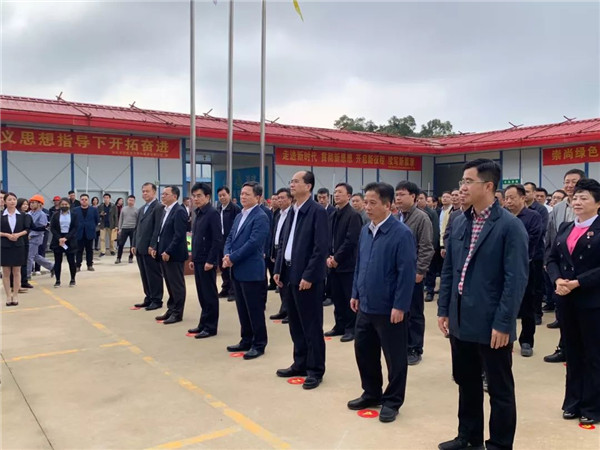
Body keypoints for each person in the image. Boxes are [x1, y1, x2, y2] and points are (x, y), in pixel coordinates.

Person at [437, 159, 529, 450]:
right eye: (462, 181)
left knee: (499, 389)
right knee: (467, 382)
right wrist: (444, 309)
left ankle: (499, 444)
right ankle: (468, 437)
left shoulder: (510, 226)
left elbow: (515, 280)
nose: (462, 187)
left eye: (468, 181)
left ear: (488, 186)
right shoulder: (460, 220)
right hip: (461, 318)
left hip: (492, 324)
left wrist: (504, 323)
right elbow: (449, 270)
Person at [347, 182, 416, 423]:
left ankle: (392, 400)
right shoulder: (366, 230)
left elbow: (406, 273)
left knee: (394, 358)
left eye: (372, 203)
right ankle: (371, 393)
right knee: (364, 351)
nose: (367, 207)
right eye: (365, 202)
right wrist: (355, 292)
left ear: (388, 205)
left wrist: (400, 305)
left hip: (389, 309)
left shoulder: (401, 234)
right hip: (365, 304)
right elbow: (360, 264)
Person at [546, 178, 600, 426]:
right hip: (566, 299)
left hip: (592, 300)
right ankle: (572, 402)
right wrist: (557, 279)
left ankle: (593, 406)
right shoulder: (566, 226)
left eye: (584, 198)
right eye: (575, 198)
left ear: (597, 203)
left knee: (593, 354)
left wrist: (578, 282)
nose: (577, 202)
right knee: (573, 351)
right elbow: (552, 257)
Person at [274, 170, 328, 390]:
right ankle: (300, 363)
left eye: (296, 181)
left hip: (307, 278)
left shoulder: (317, 212)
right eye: (291, 181)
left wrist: (309, 275)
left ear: (308, 186)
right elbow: (284, 243)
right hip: (289, 274)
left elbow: (320, 248)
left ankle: (315, 369)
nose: (292, 184)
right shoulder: (292, 210)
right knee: (295, 323)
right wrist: (278, 269)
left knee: (311, 325)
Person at [223, 182, 270, 359]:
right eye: (242, 193)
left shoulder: (261, 216)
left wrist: (232, 258)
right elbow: (230, 237)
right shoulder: (239, 216)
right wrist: (227, 254)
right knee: (242, 308)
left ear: (258, 197)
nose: (243, 196)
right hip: (237, 269)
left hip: (251, 270)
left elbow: (253, 243)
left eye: (247, 194)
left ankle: (259, 344)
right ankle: (246, 339)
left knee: (254, 310)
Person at [544, 169, 586, 363]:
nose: (569, 185)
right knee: (564, 312)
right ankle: (564, 348)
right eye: (566, 181)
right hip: (561, 267)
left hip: (584, 268)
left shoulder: (591, 206)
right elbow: (551, 235)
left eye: (573, 181)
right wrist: (549, 263)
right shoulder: (558, 208)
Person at [395, 181, 434, 365]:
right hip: (397, 274)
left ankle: (415, 348)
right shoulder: (396, 217)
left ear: (413, 196)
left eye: (402, 194)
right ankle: (403, 344)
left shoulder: (421, 218)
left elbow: (426, 247)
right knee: (400, 310)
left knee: (415, 313)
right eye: (396, 195)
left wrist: (420, 271)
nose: (398, 198)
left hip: (413, 274)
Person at [504, 184, 543, 357]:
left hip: (526, 266)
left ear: (522, 198)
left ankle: (526, 340)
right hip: (503, 266)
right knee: (506, 303)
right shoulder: (502, 216)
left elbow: (532, 240)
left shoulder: (533, 216)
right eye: (506, 198)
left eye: (512, 197)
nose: (508, 201)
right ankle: (506, 337)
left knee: (527, 305)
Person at [325, 182, 362, 342]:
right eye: (335, 192)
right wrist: (329, 257)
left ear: (349, 196)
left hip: (347, 265)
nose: (336, 195)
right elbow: (328, 238)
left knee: (348, 298)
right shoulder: (333, 214)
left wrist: (337, 258)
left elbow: (351, 240)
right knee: (337, 297)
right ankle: (339, 325)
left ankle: (350, 328)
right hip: (333, 264)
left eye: (340, 192)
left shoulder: (353, 215)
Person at [188, 182, 222, 339]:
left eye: (199, 196)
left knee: (209, 295)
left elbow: (217, 239)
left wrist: (211, 260)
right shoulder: (199, 213)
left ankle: (211, 327)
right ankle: (203, 323)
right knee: (202, 294)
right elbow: (195, 238)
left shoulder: (212, 213)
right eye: (194, 196)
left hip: (207, 261)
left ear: (208, 197)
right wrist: (193, 258)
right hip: (198, 259)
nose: (196, 199)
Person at [151, 186, 189, 324]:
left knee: (176, 285)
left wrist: (168, 251)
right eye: (162, 194)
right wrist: (156, 247)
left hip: (174, 255)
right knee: (169, 284)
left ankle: (177, 313)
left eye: (166, 194)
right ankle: (171, 309)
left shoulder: (179, 211)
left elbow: (179, 235)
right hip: (163, 253)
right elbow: (161, 233)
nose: (163, 196)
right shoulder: (165, 210)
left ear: (174, 196)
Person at [131, 183, 164, 310]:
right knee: (144, 274)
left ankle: (156, 299)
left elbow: (157, 229)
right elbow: (137, 228)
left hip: (150, 248)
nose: (145, 193)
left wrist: (153, 246)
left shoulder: (158, 207)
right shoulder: (141, 209)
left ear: (154, 192)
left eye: (147, 191)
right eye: (143, 191)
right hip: (140, 247)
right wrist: (134, 244)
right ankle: (148, 297)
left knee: (153, 274)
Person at [1, 193, 29, 306]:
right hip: (4, 245)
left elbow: (27, 229)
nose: (12, 201)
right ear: (5, 202)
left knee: (17, 271)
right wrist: (6, 235)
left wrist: (18, 235)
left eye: (14, 199)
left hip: (18, 245)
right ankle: (8, 296)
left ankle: (15, 295)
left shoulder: (22, 215)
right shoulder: (1, 215)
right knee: (6, 272)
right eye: (9, 199)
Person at [269, 187, 293, 322]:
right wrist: (272, 252)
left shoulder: (292, 214)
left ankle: (290, 312)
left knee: (288, 284)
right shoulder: (278, 214)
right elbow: (275, 235)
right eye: (278, 198)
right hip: (277, 250)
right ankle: (283, 310)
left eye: (283, 198)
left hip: (287, 252)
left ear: (290, 199)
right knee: (281, 282)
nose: (280, 200)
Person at [216, 186, 241, 301]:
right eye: (220, 196)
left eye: (224, 195)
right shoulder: (218, 208)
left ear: (229, 195)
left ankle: (233, 291)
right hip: (220, 241)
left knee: (231, 266)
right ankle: (225, 288)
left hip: (231, 241)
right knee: (223, 266)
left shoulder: (235, 209)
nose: (222, 197)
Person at [50, 198, 79, 288]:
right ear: (59, 205)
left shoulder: (74, 215)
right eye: (62, 204)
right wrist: (59, 238)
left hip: (70, 239)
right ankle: (57, 280)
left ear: (69, 205)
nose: (64, 206)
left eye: (66, 204)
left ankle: (72, 279)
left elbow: (75, 227)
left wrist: (66, 238)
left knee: (71, 261)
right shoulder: (55, 215)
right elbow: (52, 228)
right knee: (58, 261)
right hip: (58, 239)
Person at [26, 195, 55, 279]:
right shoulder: (29, 213)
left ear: (40, 204)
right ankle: (52, 267)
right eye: (30, 203)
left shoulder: (42, 215)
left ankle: (27, 275)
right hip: (27, 237)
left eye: (33, 202)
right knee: (35, 256)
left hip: (35, 238)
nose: (31, 204)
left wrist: (30, 235)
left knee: (29, 256)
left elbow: (42, 228)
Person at [420, 191, 441, 303]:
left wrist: (433, 247)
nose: (419, 201)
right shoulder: (413, 213)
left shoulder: (431, 213)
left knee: (431, 270)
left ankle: (430, 291)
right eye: (417, 199)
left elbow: (435, 231)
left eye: (421, 198)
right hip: (418, 247)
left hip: (429, 247)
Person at [72, 194, 99, 272]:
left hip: (89, 233)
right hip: (79, 233)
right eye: (82, 199)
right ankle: (77, 266)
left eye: (86, 199)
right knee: (78, 250)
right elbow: (73, 221)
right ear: (80, 200)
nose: (84, 201)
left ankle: (89, 265)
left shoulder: (94, 210)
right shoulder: (75, 210)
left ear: (88, 200)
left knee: (89, 250)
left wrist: (91, 226)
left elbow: (97, 220)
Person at [16, 198, 33, 291]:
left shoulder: (27, 215)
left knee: (22, 262)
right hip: (22, 240)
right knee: (22, 262)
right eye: (24, 204)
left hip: (22, 240)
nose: (26, 206)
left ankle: (22, 281)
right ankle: (22, 282)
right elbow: (28, 228)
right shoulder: (25, 216)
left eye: (27, 204)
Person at [115, 195, 138, 264]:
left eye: (132, 200)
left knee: (132, 245)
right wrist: (119, 228)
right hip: (124, 228)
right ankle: (118, 258)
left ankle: (131, 257)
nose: (131, 201)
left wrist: (137, 230)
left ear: (134, 201)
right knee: (121, 244)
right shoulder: (123, 209)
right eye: (129, 200)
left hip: (133, 229)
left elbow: (138, 221)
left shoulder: (136, 210)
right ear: (127, 201)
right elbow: (120, 219)